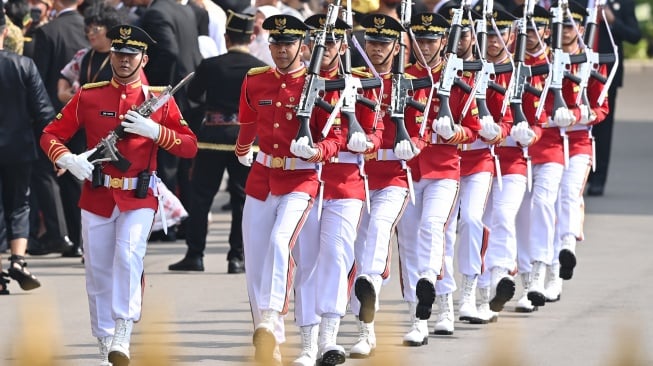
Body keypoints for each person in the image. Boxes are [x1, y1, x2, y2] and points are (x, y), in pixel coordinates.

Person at [39, 25, 198, 366]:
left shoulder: (157, 100)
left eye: (132, 55)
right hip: (97, 195)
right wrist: (67, 158)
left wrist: (157, 130)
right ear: (111, 55)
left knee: (128, 256)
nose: (125, 61)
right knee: (97, 272)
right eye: (119, 54)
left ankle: (123, 333)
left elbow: (189, 146)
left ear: (144, 58)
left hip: (138, 196)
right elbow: (51, 134)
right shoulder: (89, 95)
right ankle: (104, 340)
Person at [235, 14, 340, 366]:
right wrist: (241, 148)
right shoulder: (255, 80)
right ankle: (267, 344)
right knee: (255, 262)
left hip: (301, 179)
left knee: (282, 243)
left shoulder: (321, 85)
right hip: (262, 178)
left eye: (289, 44)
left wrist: (318, 151)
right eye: (276, 44)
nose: (282, 50)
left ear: (303, 47)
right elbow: (248, 119)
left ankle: (271, 316)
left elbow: (336, 134)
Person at [291, 13, 382, 365]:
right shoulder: (294, 83)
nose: (322, 48)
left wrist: (365, 142)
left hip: (345, 182)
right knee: (307, 262)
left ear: (344, 46)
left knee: (336, 256)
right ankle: (307, 342)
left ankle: (329, 338)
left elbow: (376, 133)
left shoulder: (360, 84)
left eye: (329, 42)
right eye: (315, 41)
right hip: (303, 180)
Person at [168, 10, 266, 274]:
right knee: (242, 199)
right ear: (253, 35)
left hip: (212, 137)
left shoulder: (211, 65)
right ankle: (237, 256)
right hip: (246, 141)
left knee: (201, 198)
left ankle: (195, 254)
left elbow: (194, 94)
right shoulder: (259, 68)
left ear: (226, 36)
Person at [123, 0, 203, 240]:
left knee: (165, 164)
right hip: (189, 95)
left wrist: (153, 88)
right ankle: (185, 223)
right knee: (184, 168)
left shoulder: (156, 12)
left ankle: (165, 225)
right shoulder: (185, 9)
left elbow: (169, 52)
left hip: (169, 94)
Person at [550, 1, 609, 295]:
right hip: (547, 143)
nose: (566, 32)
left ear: (582, 28)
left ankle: (567, 247)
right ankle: (548, 273)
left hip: (578, 141)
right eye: (562, 25)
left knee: (569, 192)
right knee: (545, 203)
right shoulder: (544, 60)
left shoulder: (591, 61)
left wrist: (580, 115)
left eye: (572, 25)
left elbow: (602, 108)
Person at [1, 13, 54, 294]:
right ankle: (18, 259)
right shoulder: (23, 65)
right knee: (19, 204)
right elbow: (44, 112)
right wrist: (57, 148)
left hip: (18, 147)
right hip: (20, 148)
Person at [585, 0, 641, 196]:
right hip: (577, 72)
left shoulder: (622, 3)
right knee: (579, 123)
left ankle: (598, 178)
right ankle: (582, 173)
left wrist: (613, 21)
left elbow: (635, 35)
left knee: (603, 127)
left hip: (607, 74)